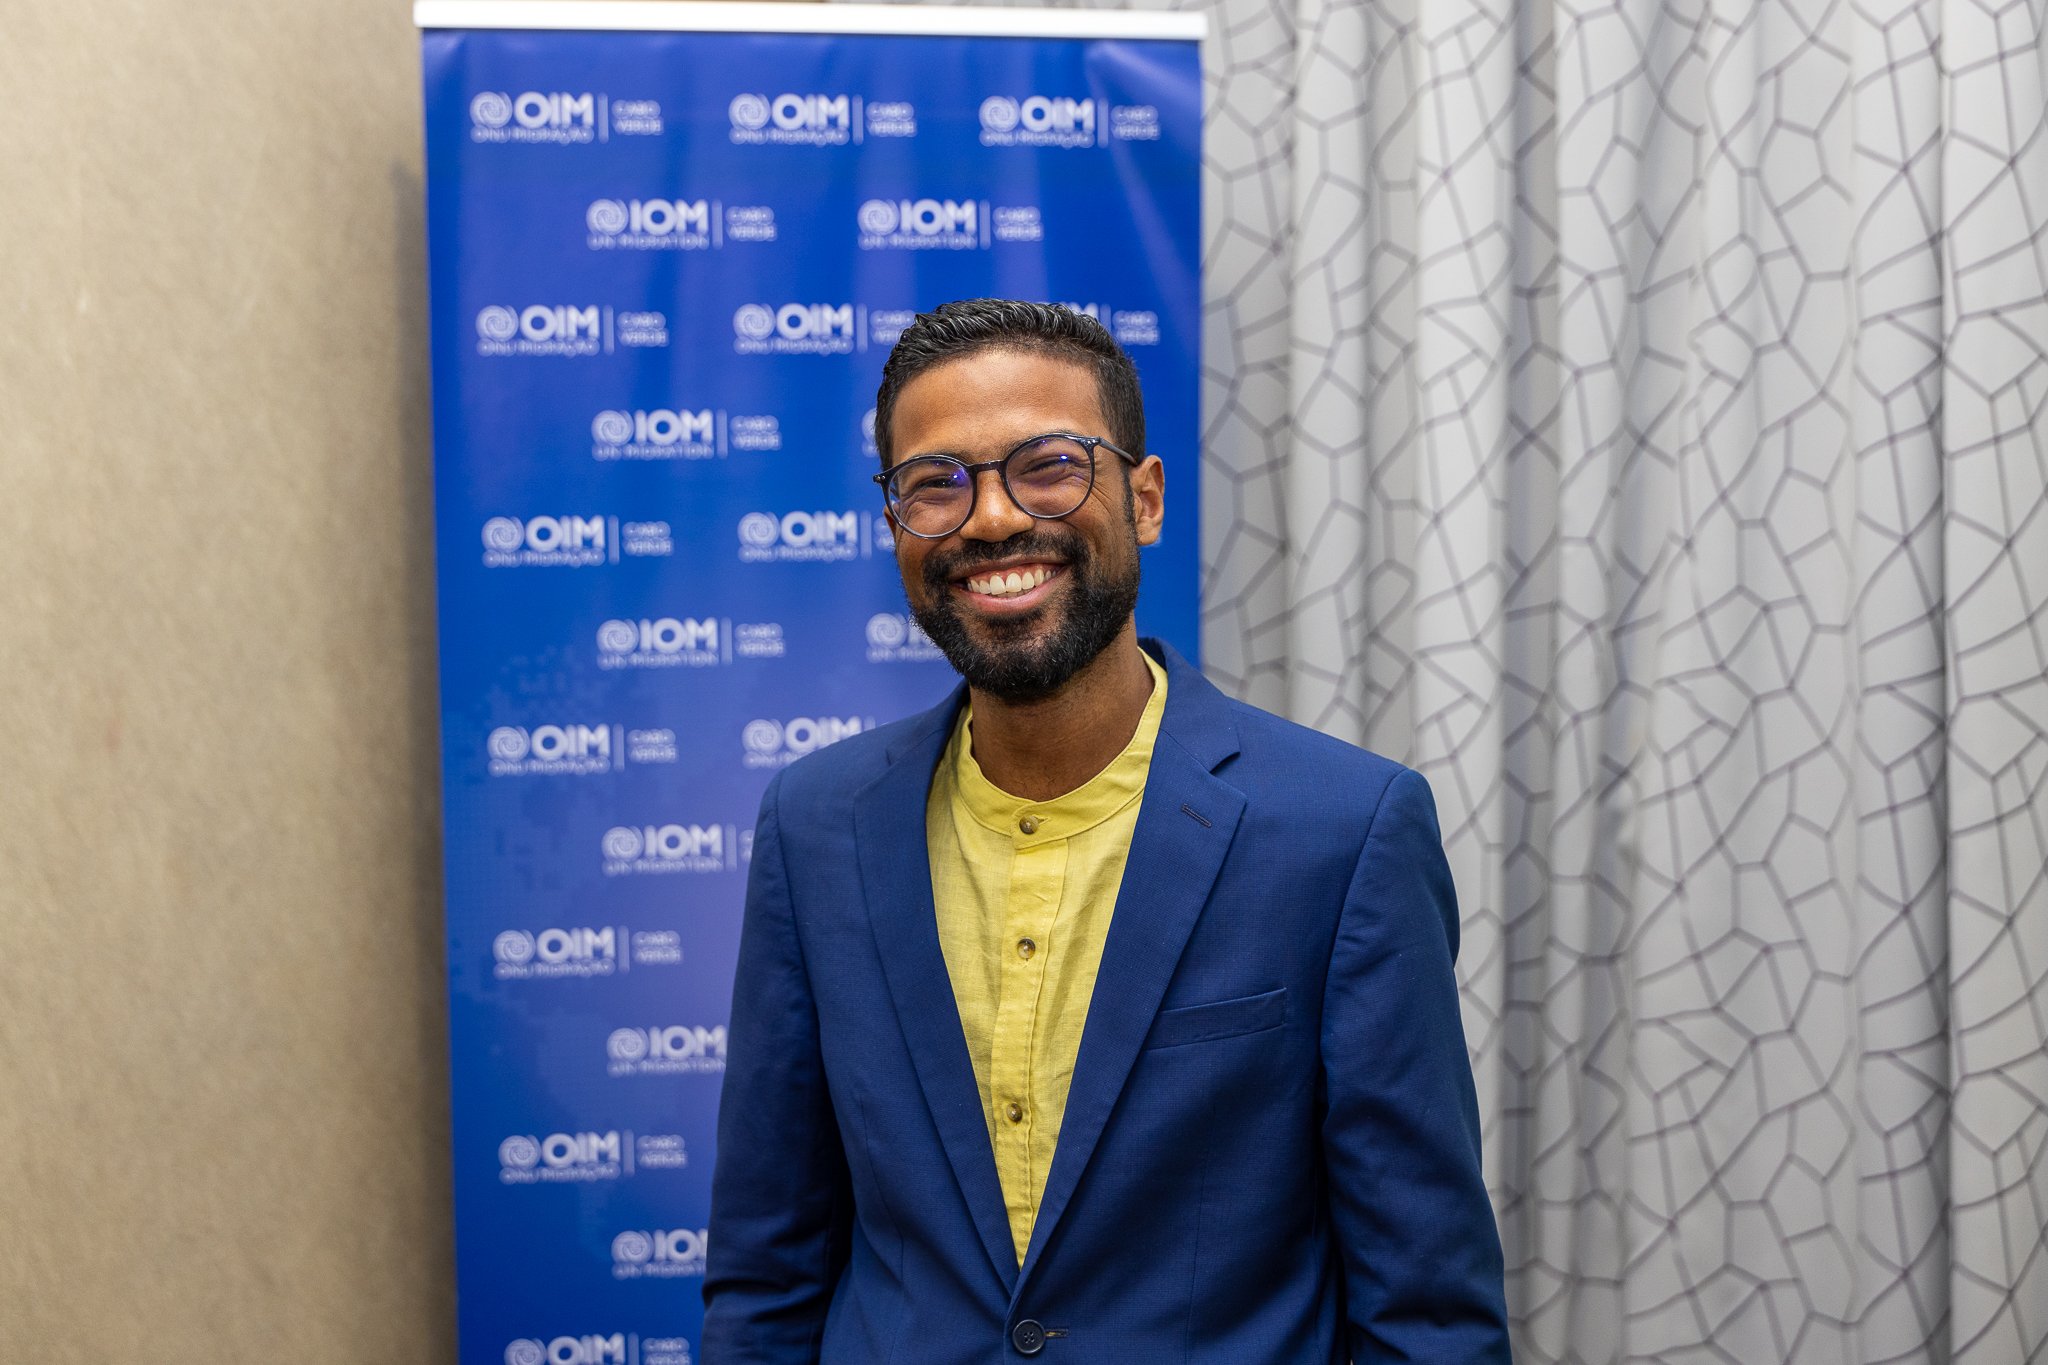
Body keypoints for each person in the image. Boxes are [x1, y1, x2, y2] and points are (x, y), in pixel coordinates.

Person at [703, 299, 1511, 1363]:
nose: (990, 519)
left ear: (1145, 499)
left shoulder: (1344, 831)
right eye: (934, 483)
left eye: (1047, 466)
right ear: (895, 524)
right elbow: (767, 1274)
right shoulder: (815, 825)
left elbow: (1428, 1311)